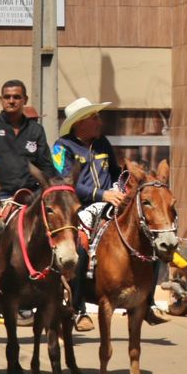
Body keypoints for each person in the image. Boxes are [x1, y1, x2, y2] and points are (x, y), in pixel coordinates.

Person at [51, 97, 126, 333]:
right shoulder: (61, 147)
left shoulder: (103, 142)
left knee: (143, 232)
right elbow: (65, 181)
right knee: (79, 249)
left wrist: (120, 186)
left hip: (109, 203)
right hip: (77, 209)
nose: (99, 121)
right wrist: (101, 194)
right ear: (80, 123)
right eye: (94, 117)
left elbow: (115, 171)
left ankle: (147, 302)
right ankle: (79, 308)